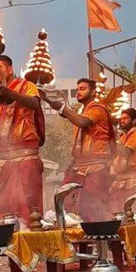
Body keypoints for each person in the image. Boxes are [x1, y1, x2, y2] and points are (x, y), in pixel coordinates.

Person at [39, 78, 116, 221]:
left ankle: (101, 233)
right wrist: (47, 100)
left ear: (93, 92)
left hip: (96, 166)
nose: (78, 92)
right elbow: (68, 114)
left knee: (93, 208)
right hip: (79, 165)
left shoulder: (98, 109)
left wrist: (63, 108)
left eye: (83, 89)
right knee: (65, 200)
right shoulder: (82, 111)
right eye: (78, 89)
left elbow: (81, 121)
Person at [0, 55, 45, 222]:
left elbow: (34, 103)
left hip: (26, 157)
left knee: (28, 206)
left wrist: (10, 93)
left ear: (10, 69)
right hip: (3, 160)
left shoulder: (27, 86)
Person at [110, 108, 136, 211]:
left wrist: (113, 139)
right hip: (120, 181)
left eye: (126, 118)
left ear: (134, 120)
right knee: (118, 212)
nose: (122, 121)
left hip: (133, 181)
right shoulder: (123, 137)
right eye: (121, 118)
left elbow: (127, 152)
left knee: (133, 213)